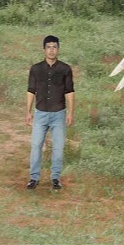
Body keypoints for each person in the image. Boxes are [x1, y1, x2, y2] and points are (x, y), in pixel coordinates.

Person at [26, 35, 74, 190]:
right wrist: (28, 112)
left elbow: (69, 91)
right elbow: (31, 91)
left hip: (58, 114)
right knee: (36, 146)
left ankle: (55, 178)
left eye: (54, 47)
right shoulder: (36, 69)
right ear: (44, 49)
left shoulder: (65, 69)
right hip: (40, 114)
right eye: (49, 47)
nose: (51, 50)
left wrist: (70, 112)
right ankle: (34, 178)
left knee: (58, 148)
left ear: (58, 49)